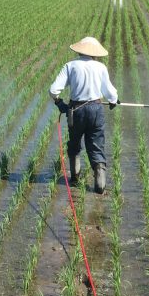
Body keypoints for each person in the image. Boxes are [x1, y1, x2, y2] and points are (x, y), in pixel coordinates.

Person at [49, 36, 119, 193]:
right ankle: (100, 184)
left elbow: (53, 90)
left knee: (74, 143)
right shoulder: (101, 67)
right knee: (96, 144)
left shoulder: (71, 66)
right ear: (95, 53)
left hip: (76, 110)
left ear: (80, 50)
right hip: (96, 109)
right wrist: (114, 100)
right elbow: (110, 92)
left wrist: (59, 103)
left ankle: (75, 178)